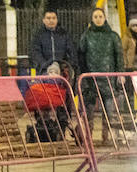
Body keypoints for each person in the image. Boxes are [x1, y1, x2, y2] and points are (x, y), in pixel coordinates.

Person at [77, 7, 125, 142]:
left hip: (108, 79)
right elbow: (81, 55)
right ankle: (89, 137)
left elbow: (119, 56)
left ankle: (107, 136)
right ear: (92, 19)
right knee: (89, 111)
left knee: (109, 112)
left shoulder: (113, 36)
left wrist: (120, 74)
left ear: (105, 18)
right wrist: (83, 73)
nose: (98, 19)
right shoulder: (86, 36)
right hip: (90, 78)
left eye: (100, 16)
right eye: (95, 17)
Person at [21, 62, 73, 143]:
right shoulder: (44, 78)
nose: (52, 74)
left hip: (53, 94)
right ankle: (41, 122)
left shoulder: (60, 80)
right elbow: (36, 83)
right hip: (44, 96)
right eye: (50, 72)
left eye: (55, 72)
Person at [29, 10, 73, 76]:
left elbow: (71, 51)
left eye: (53, 18)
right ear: (43, 20)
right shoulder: (38, 35)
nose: (51, 20)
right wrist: (45, 65)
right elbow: (35, 53)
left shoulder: (64, 34)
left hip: (62, 70)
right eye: (48, 18)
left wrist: (66, 65)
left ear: (57, 20)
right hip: (43, 70)